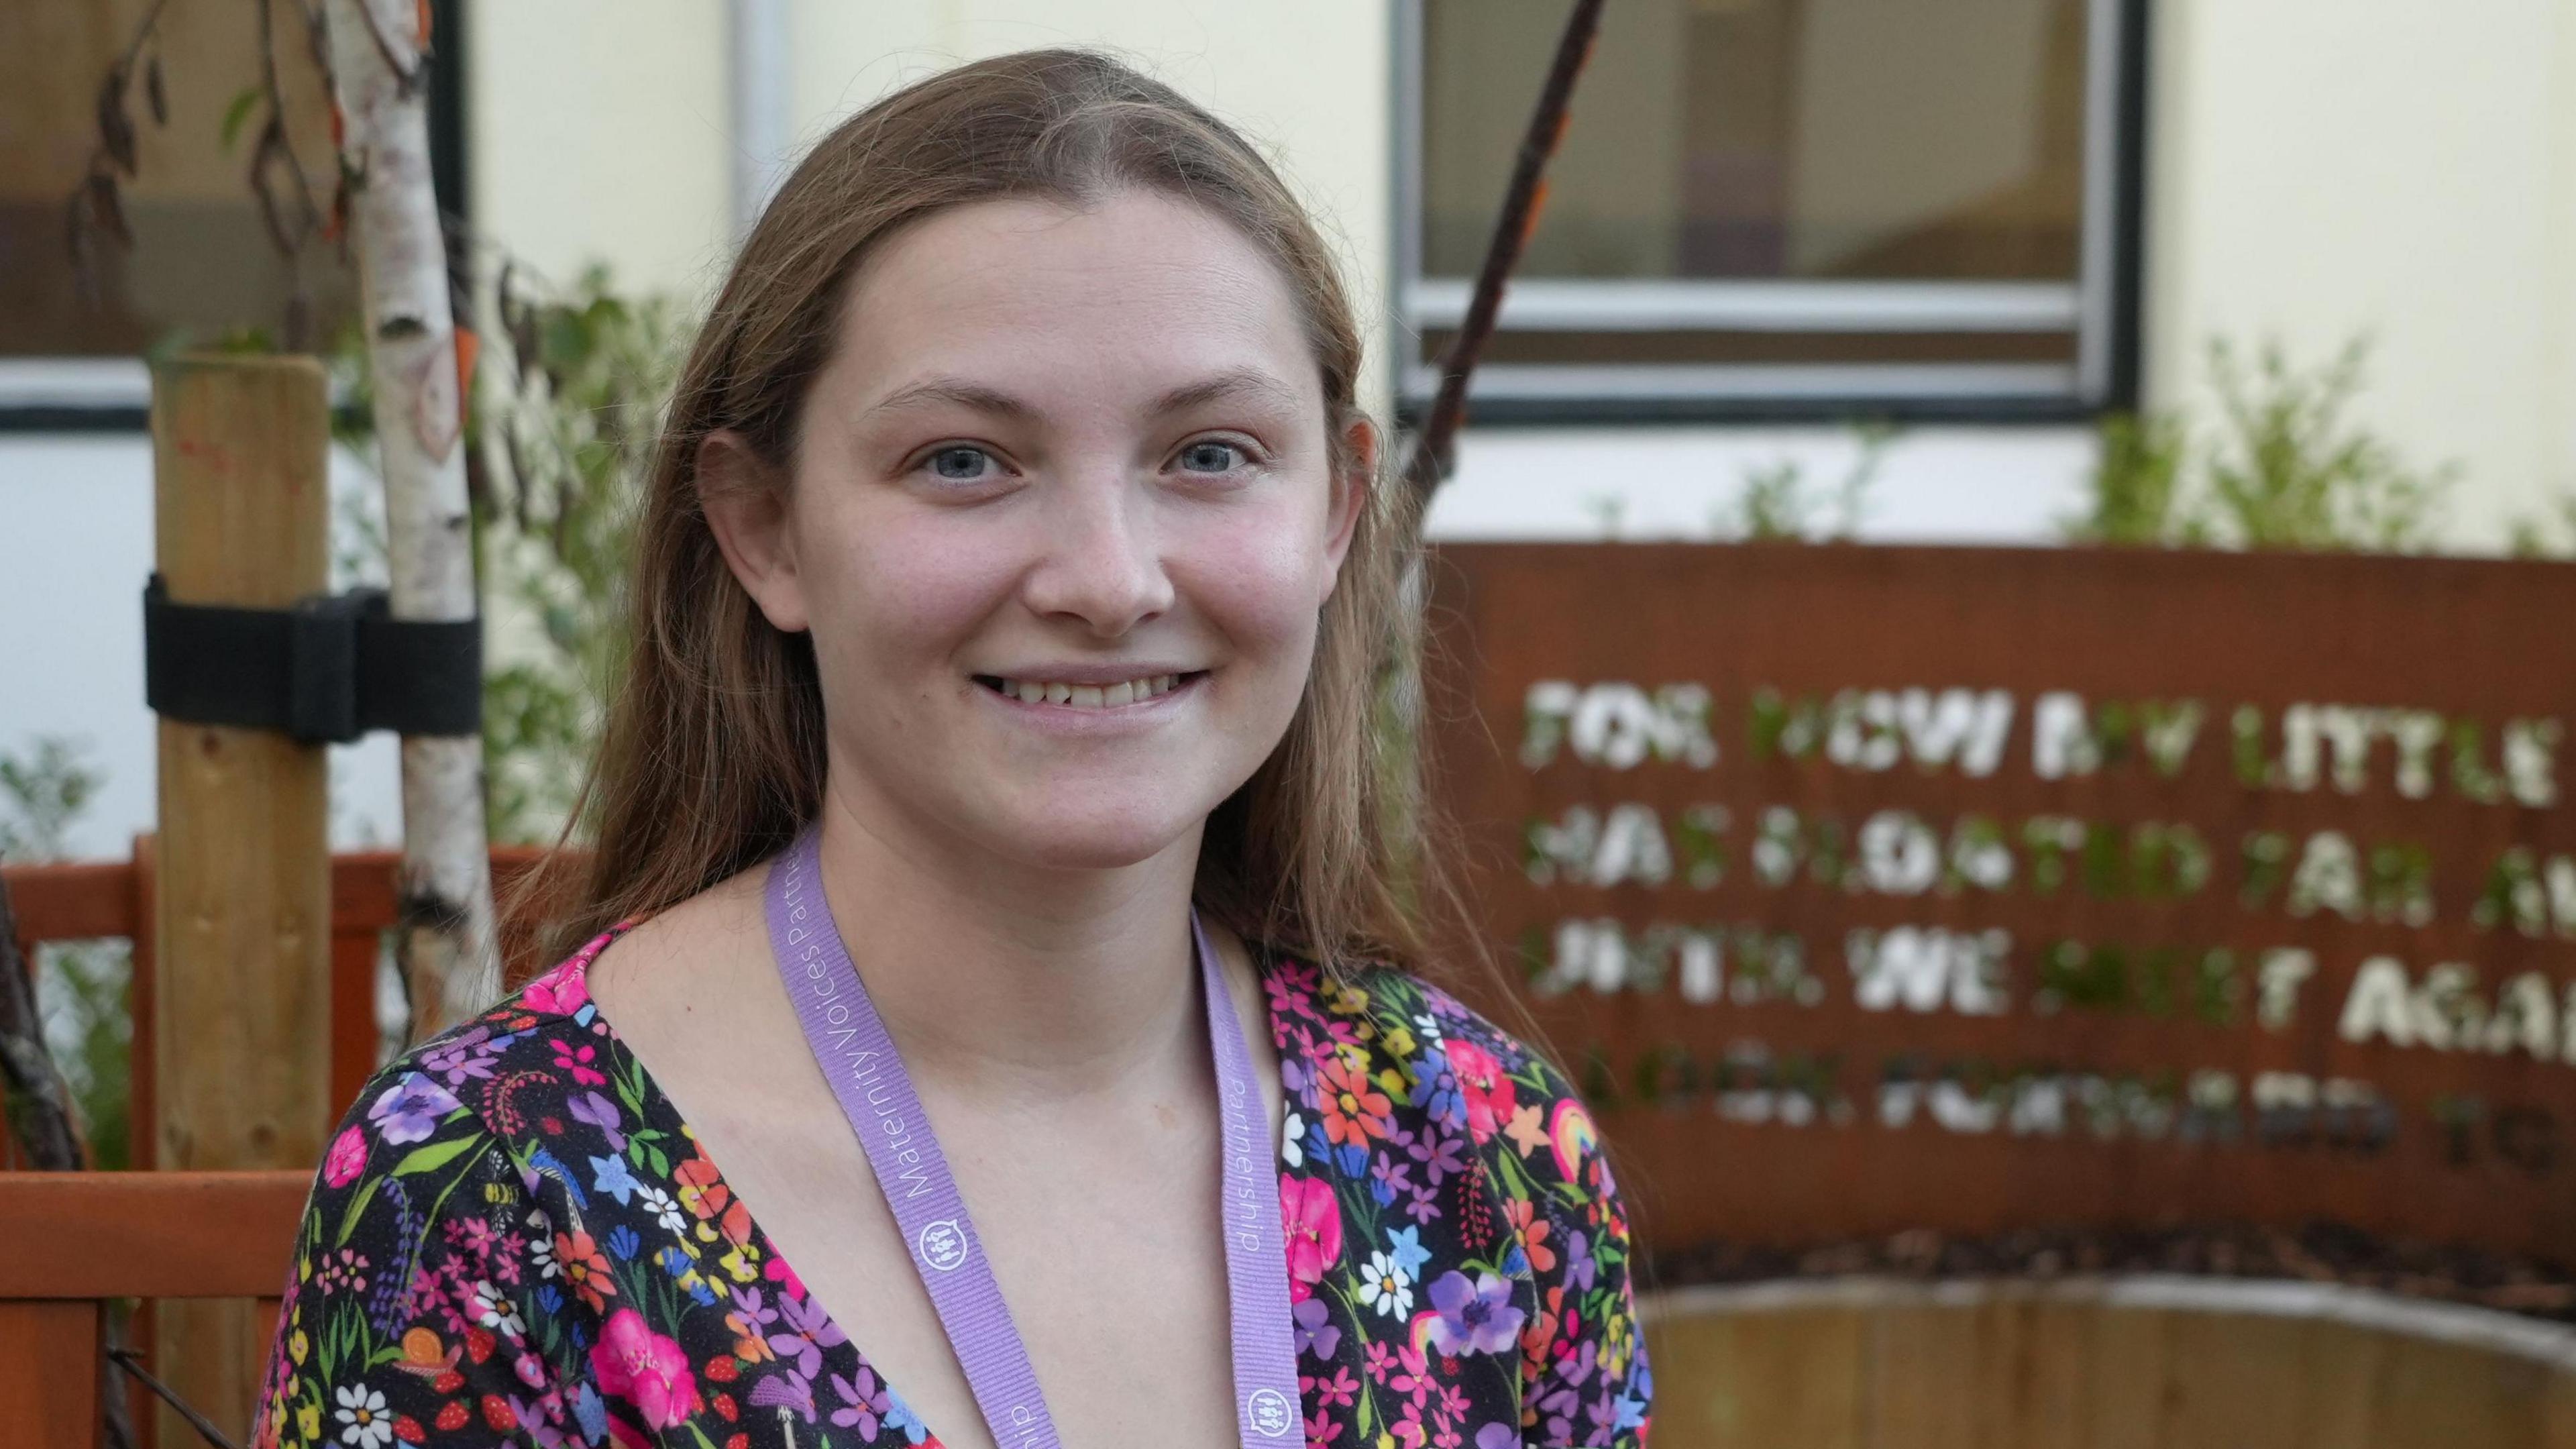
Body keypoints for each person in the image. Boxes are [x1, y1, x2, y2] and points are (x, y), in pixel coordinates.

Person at [252, 48, 1648, 1449]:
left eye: (1210, 454)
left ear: (1337, 514)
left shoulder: (1485, 1160)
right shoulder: (496, 1195)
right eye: (965, 461)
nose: (1108, 582)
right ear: (765, 530)